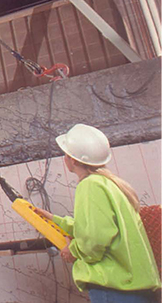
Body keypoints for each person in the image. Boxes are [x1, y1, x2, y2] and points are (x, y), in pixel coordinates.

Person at [34, 124, 160, 302]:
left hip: (114, 288)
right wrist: (56, 220)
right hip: (135, 288)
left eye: (66, 154)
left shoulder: (90, 184)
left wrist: (74, 250)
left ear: (73, 160)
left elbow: (96, 238)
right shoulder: (112, 184)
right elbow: (100, 226)